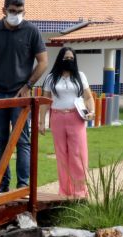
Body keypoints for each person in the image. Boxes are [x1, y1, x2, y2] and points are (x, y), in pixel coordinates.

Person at [0, 0, 48, 192]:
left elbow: (43, 61)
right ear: (4, 10)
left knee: (22, 141)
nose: (16, 14)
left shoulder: (32, 31)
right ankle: (2, 185)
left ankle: (23, 186)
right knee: (0, 140)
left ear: (24, 11)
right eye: (12, 11)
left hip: (20, 94)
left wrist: (28, 86)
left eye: (19, 11)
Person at [38, 47, 95, 199]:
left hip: (76, 118)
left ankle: (80, 192)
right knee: (61, 155)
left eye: (71, 58)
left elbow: (88, 97)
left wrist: (92, 111)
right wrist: (41, 121)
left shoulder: (80, 76)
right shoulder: (51, 78)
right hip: (57, 118)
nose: (68, 61)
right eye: (66, 58)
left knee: (78, 155)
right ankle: (64, 191)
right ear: (60, 59)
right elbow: (45, 101)